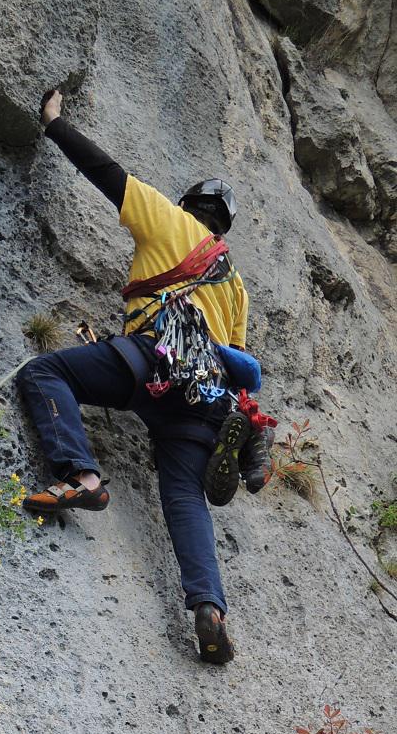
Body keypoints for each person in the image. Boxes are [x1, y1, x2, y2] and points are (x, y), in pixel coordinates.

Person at [18, 88, 271, 665]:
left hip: (152, 361)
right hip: (206, 395)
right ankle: (209, 606)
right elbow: (235, 356)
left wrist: (55, 123)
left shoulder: (171, 223)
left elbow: (107, 174)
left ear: (189, 207)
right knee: (185, 496)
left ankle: (81, 476)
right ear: (224, 228)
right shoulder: (235, 286)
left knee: (46, 373)